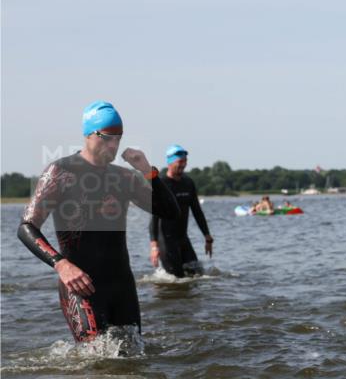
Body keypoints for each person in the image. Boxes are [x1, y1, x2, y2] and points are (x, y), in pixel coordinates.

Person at [17, 101, 180, 342]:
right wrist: (61, 265)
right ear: (89, 134)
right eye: (106, 137)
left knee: (132, 362)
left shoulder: (123, 177)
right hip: (80, 287)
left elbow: (170, 212)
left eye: (118, 137)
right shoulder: (61, 172)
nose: (113, 145)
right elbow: (26, 227)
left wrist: (149, 172)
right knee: (93, 361)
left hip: (122, 285)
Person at [149, 145, 213, 278]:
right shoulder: (161, 183)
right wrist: (154, 246)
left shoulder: (188, 183)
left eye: (185, 161)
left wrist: (207, 236)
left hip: (183, 238)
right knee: (177, 278)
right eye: (180, 162)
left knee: (197, 274)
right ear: (170, 163)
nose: (183, 165)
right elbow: (154, 218)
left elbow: (197, 211)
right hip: (165, 240)